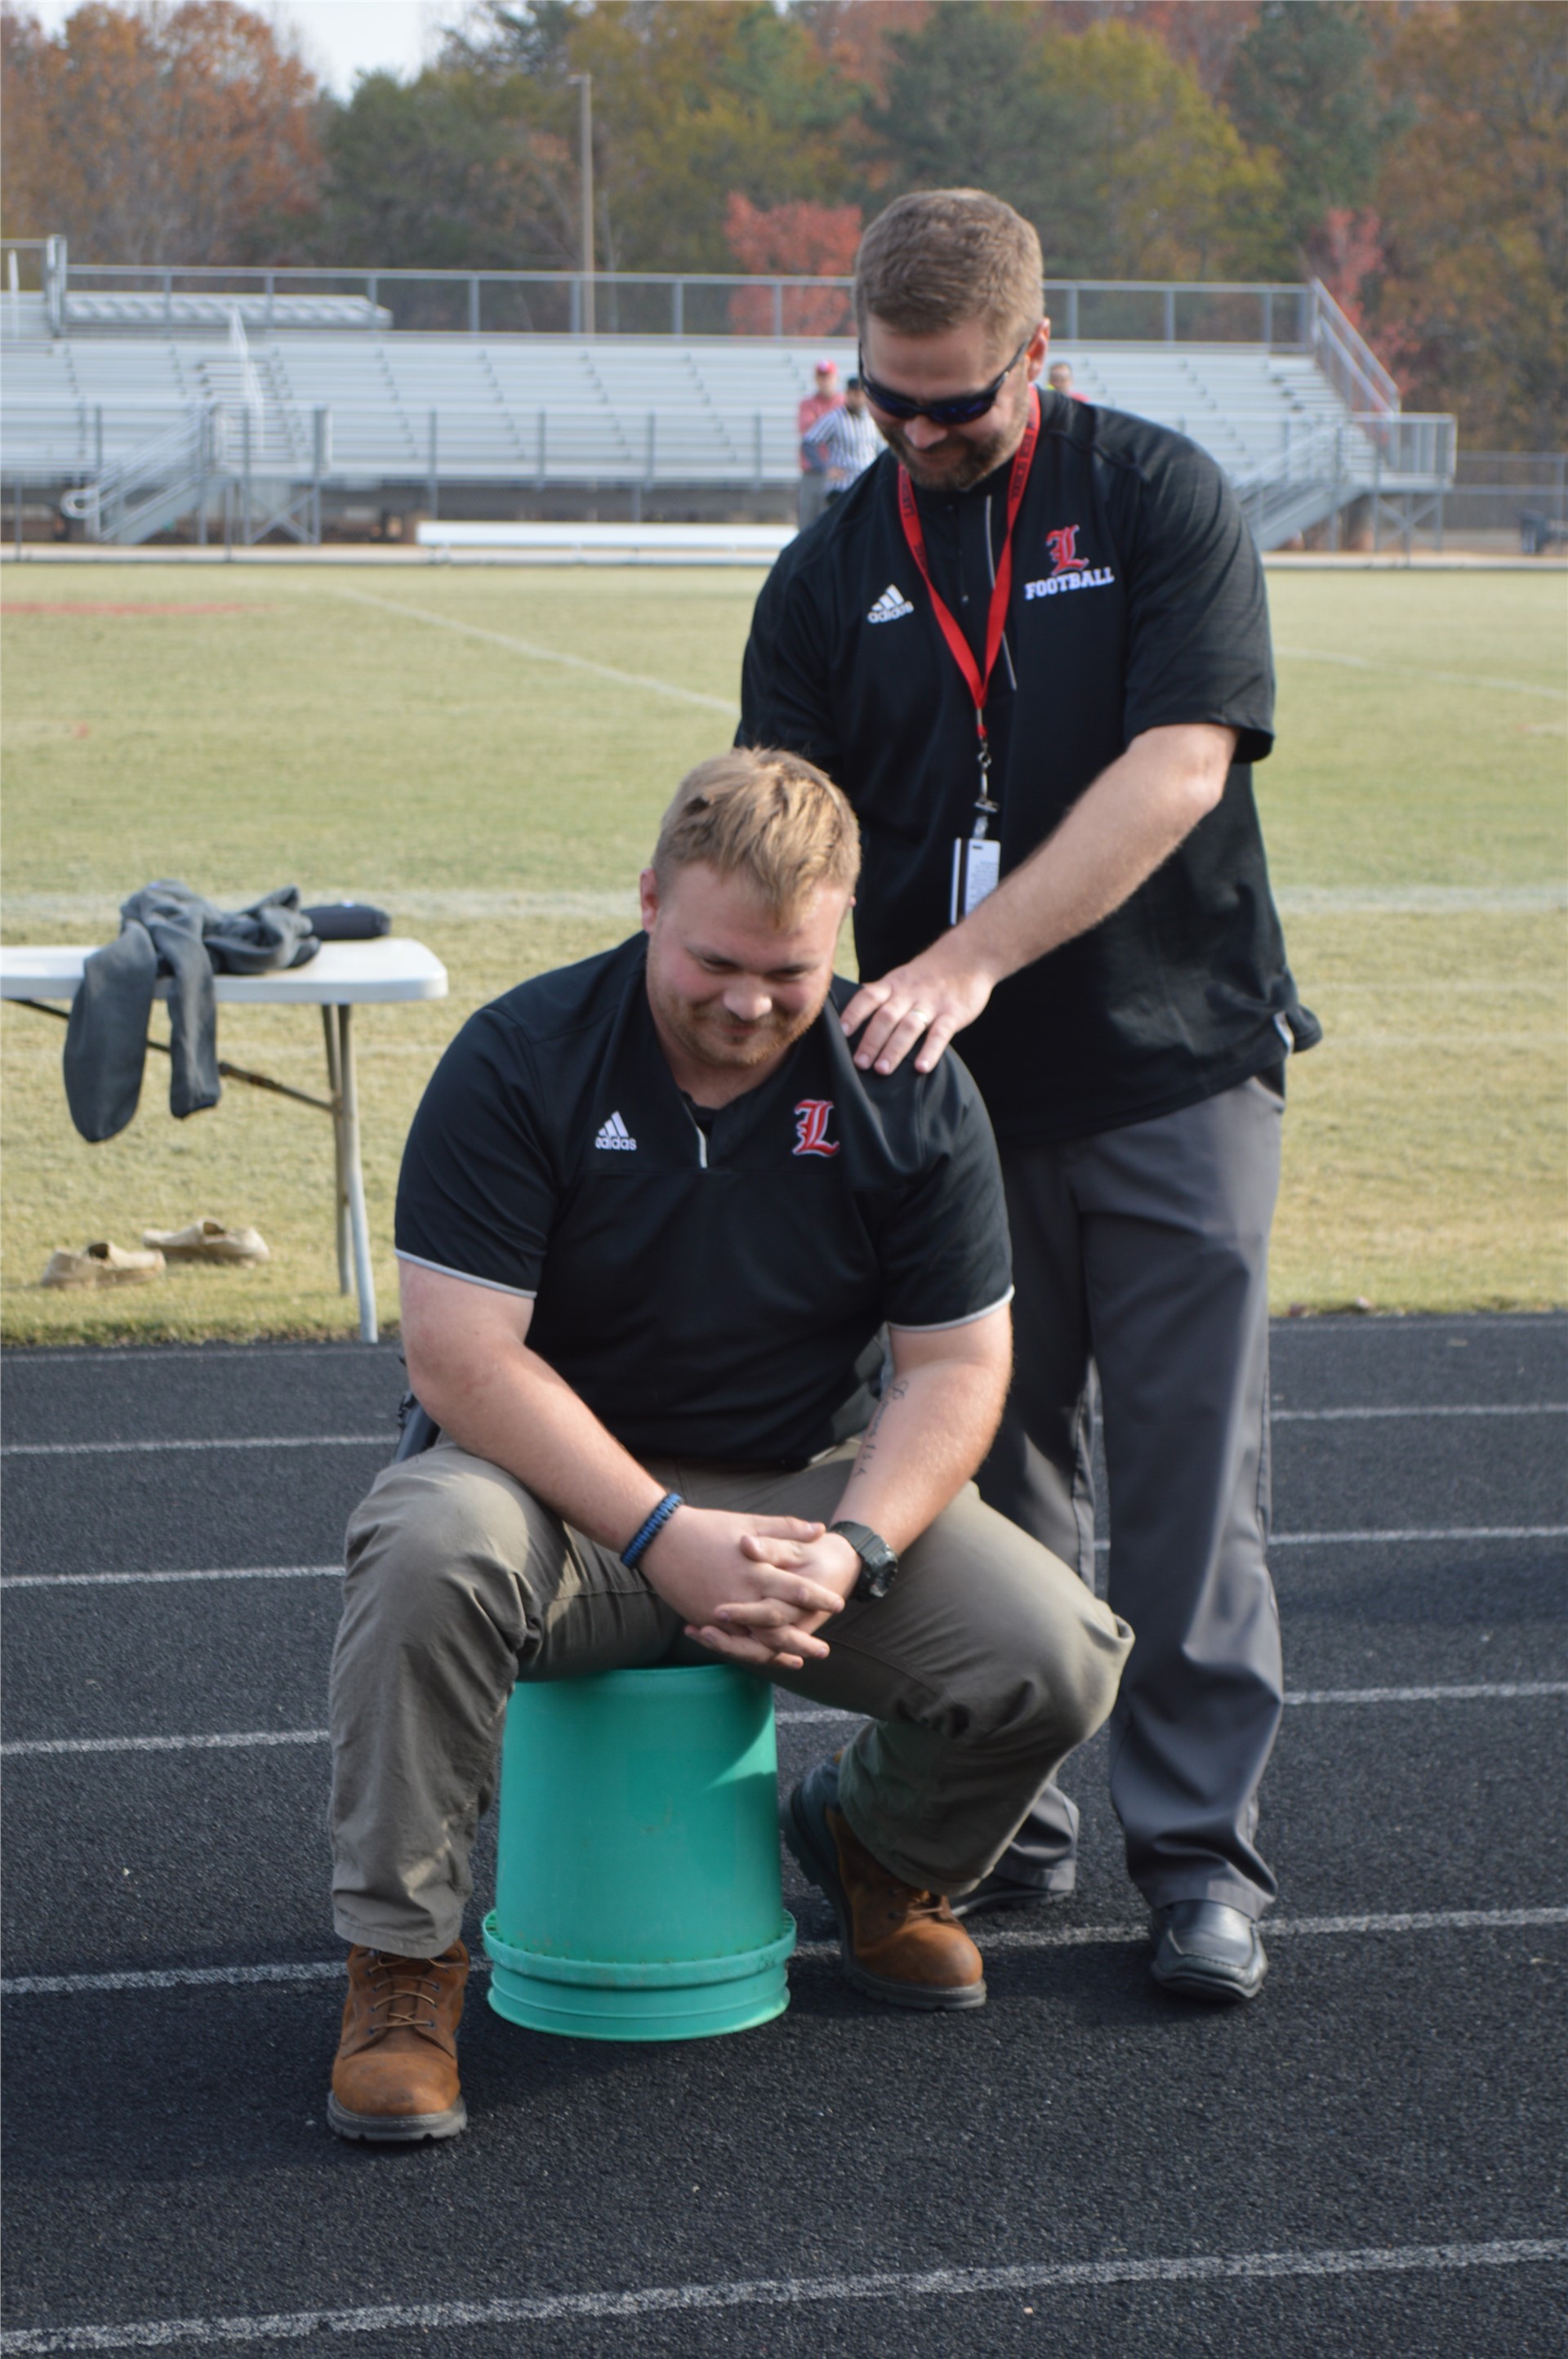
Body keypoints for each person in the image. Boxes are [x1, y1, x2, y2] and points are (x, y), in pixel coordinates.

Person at [325, 748, 1131, 2142]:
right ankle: (404, 1963)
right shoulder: (522, 1059)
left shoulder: (907, 1083)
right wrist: (659, 1535)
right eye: (716, 961)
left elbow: (954, 1366)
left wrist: (856, 1543)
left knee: (1058, 1651)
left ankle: (877, 1849)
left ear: (842, 935)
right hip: (553, 1499)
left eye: (792, 970)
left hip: (799, 1493)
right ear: (647, 898)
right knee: (423, 1543)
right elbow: (462, 1357)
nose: (752, 1001)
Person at [739, 189, 1321, 2008]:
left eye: (958, 405)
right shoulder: (829, 567)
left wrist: (974, 954)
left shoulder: (1154, 500)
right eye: (888, 402)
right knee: (989, 1477)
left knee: (1186, 1483)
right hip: (944, 1114)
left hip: (1171, 1067)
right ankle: (1007, 1817)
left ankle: (1200, 1858)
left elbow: (1181, 766)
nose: (921, 436)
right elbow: (793, 837)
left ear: (1036, 356)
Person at [803, 374, 883, 502]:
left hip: (867, 486)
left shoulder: (872, 419)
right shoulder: (835, 418)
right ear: (848, 394)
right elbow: (809, 441)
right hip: (842, 487)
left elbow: (879, 450)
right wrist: (824, 468)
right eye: (855, 393)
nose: (858, 397)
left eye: (861, 394)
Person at [796, 357, 842, 529]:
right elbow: (809, 431)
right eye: (821, 377)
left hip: (839, 474)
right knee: (807, 525)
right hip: (813, 473)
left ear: (835, 378)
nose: (825, 382)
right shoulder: (808, 404)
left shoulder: (843, 403)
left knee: (834, 526)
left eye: (828, 377)